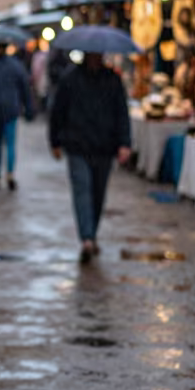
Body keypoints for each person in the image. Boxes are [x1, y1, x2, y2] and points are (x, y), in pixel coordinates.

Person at [49, 52, 131, 263]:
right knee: (82, 190)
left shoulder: (112, 79)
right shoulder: (70, 78)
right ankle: (86, 238)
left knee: (98, 193)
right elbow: (57, 110)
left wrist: (124, 142)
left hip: (104, 147)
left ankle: (91, 234)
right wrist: (55, 141)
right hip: (77, 146)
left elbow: (122, 112)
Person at [0, 43, 33, 190]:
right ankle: (9, 174)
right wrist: (28, 107)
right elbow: (25, 88)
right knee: (10, 144)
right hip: (11, 109)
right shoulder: (17, 66)